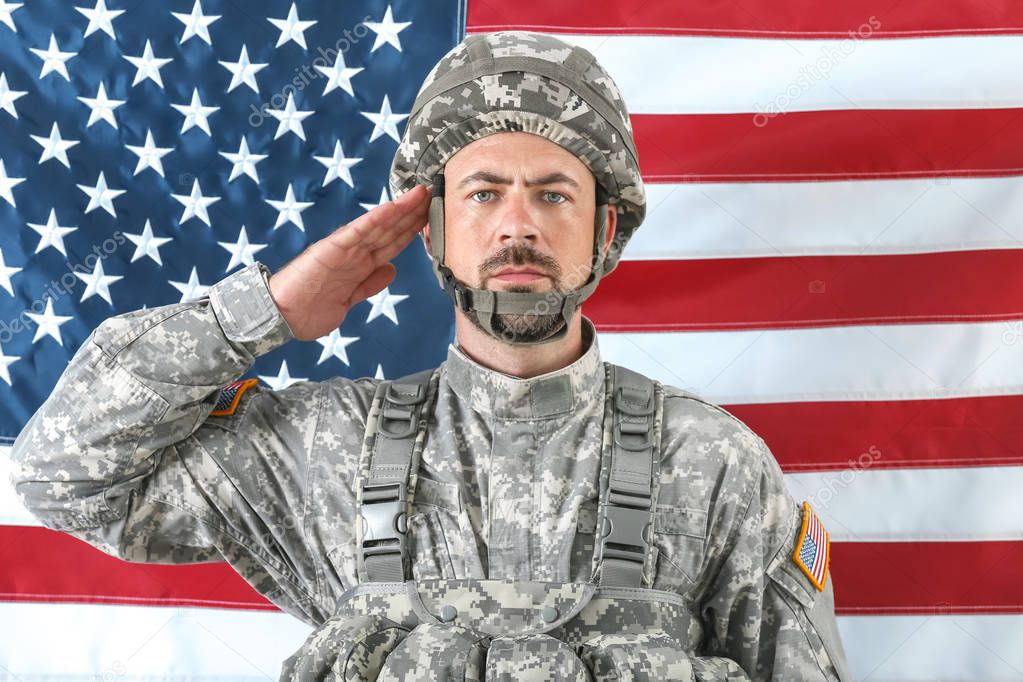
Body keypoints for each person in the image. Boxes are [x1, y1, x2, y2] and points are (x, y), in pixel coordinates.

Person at [9, 31, 850, 680]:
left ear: (603, 232)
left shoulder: (711, 462)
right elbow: (62, 472)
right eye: (482, 193)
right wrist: (262, 312)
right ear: (433, 227)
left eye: (553, 195)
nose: (517, 225)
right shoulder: (318, 449)